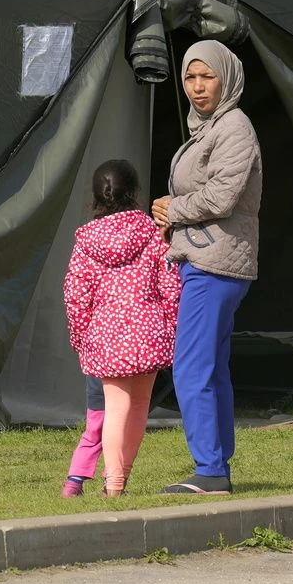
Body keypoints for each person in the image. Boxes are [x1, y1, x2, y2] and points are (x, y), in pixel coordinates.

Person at [151, 42, 262, 496]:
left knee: (190, 367)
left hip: (214, 263)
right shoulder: (209, 127)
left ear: (227, 77)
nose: (198, 87)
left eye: (207, 77)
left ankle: (210, 469)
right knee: (212, 367)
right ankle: (216, 465)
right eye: (190, 78)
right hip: (209, 259)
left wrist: (173, 209)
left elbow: (221, 197)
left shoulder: (234, 127)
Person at [63, 159, 179, 497]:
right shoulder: (151, 232)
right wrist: (171, 328)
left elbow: (76, 294)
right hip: (149, 333)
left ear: (97, 196)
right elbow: (170, 285)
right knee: (140, 407)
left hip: (105, 336)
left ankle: (112, 484)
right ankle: (121, 478)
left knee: (114, 408)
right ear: (134, 192)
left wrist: (80, 337)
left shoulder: (85, 239)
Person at [60, 375, 105, 498]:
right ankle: (112, 483)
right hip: (120, 388)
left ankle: (73, 484)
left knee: (92, 436)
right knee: (119, 436)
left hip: (96, 391)